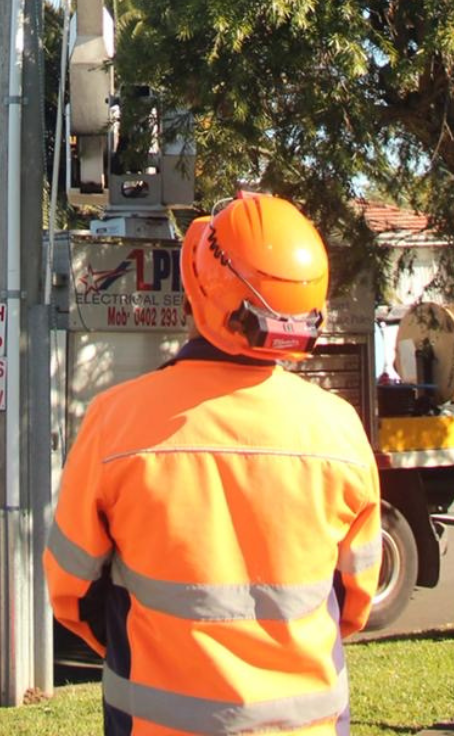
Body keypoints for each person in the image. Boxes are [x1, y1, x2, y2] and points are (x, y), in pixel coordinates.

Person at [45, 192, 382, 736]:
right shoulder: (339, 430)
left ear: (195, 293)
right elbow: (354, 599)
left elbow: (72, 590)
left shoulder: (117, 423)